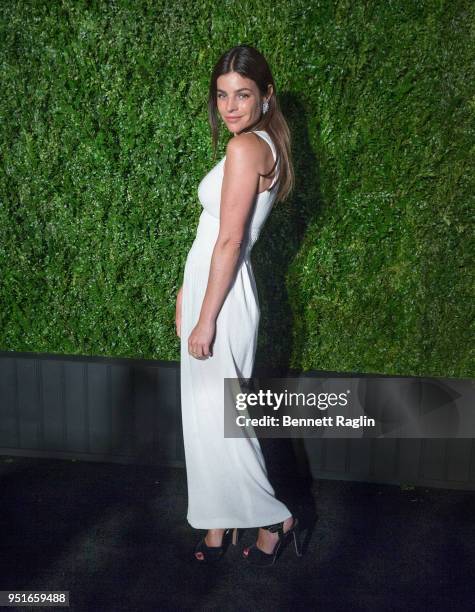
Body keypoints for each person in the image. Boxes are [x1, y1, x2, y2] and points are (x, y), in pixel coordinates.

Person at [175, 45, 302, 567]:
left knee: (221, 415)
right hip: (212, 287)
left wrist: (206, 315)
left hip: (222, 298)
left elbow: (230, 241)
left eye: (243, 94)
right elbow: (216, 236)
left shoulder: (247, 148)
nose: (230, 105)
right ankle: (218, 520)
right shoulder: (256, 143)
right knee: (208, 416)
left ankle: (275, 516)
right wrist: (188, 288)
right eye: (222, 94)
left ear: (266, 96)